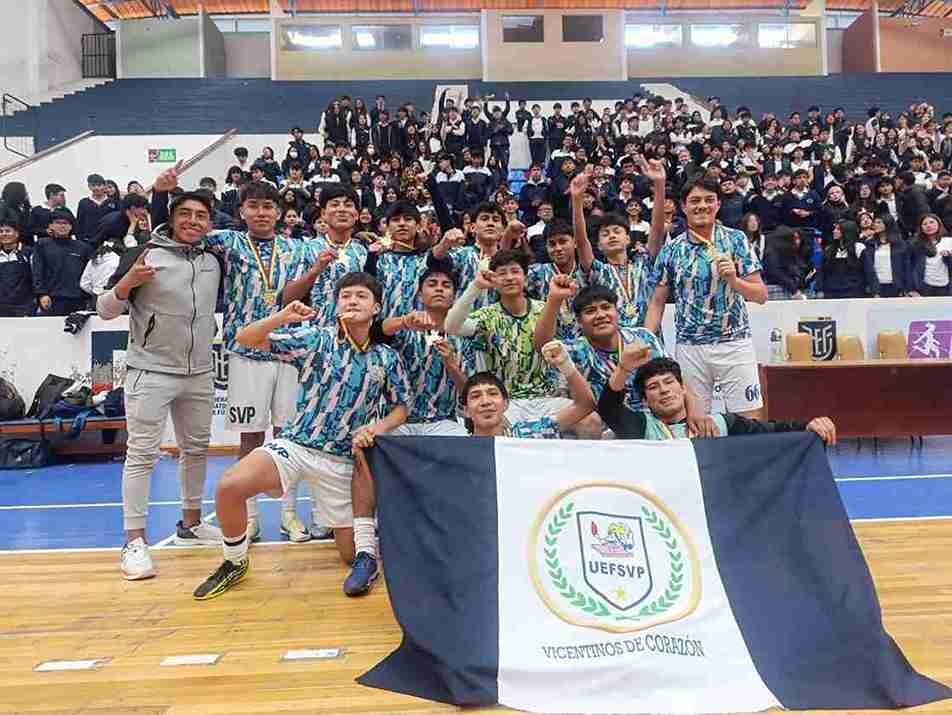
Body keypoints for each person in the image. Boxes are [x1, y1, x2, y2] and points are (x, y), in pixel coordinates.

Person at [192, 273, 411, 601]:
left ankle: (367, 553)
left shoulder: (386, 357)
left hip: (342, 459)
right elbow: (245, 338)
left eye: (361, 296)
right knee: (229, 486)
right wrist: (281, 316)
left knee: (351, 555)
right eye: (346, 295)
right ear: (336, 305)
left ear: (377, 307)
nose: (352, 301)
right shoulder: (315, 339)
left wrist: (375, 429)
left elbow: (401, 408)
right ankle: (234, 561)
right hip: (296, 445)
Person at [97, 189, 222, 580]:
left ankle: (190, 524)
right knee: (142, 455)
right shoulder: (144, 254)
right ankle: (134, 542)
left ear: (210, 223)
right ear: (171, 216)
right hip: (150, 370)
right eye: (185, 213)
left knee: (196, 450)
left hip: (199, 371)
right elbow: (104, 309)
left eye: (201, 215)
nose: (193, 221)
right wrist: (126, 283)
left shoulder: (213, 261)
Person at [645, 174, 768, 419]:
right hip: (690, 348)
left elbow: (761, 295)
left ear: (718, 204)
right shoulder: (672, 250)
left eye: (709, 200)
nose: (702, 206)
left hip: (734, 343)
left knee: (749, 420)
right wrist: (645, 340)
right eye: (695, 200)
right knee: (696, 422)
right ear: (684, 206)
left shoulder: (736, 240)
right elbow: (657, 302)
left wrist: (734, 281)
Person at [445, 249, 569, 424]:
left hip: (546, 398)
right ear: (494, 281)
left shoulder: (545, 309)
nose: (509, 277)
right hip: (506, 403)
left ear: (525, 279)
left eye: (515, 271)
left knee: (590, 420)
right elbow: (451, 326)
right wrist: (476, 286)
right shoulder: (487, 316)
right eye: (502, 273)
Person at [598, 356, 837, 444]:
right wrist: (623, 368)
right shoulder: (642, 427)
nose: (663, 390)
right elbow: (608, 409)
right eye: (653, 387)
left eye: (669, 382)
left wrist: (808, 426)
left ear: (683, 389)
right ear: (646, 400)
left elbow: (770, 432)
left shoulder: (721, 424)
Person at [379, 264, 472, 436]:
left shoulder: (462, 336)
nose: (439, 289)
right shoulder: (406, 328)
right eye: (432, 284)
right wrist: (404, 321)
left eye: (446, 285)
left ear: (454, 297)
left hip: (443, 422)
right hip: (399, 421)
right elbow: (378, 330)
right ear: (420, 295)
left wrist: (452, 366)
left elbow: (469, 391)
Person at [462, 341, 595, 439]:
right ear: (466, 411)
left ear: (506, 404)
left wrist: (565, 365)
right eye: (475, 396)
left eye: (492, 394)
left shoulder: (528, 433)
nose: (485, 402)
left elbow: (585, 405)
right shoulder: (457, 448)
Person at [32, 208, 94, 316]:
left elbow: (90, 273)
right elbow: (37, 271)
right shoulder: (42, 245)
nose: (62, 226)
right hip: (52, 299)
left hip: (78, 299)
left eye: (66, 223)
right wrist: (42, 294)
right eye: (58, 223)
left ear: (71, 226)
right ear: (50, 226)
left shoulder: (83, 247)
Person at [0, 211, 34, 317]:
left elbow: (37, 278)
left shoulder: (29, 253)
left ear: (17, 233)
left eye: (8, 231)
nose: (4, 234)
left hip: (25, 307)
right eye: (1, 231)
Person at [75, 174, 119, 244]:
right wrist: (80, 240)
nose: (96, 188)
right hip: (89, 241)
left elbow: (118, 222)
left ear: (104, 186)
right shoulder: (84, 203)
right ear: (89, 187)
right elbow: (79, 223)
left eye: (99, 185)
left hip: (109, 241)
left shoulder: (113, 202)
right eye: (93, 185)